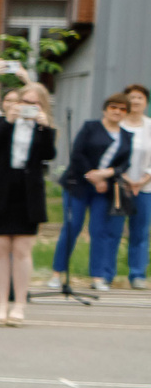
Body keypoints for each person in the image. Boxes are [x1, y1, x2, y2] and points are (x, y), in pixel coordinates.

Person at [0, 81, 55, 325]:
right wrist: (9, 120)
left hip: (27, 193)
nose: (28, 107)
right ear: (16, 102)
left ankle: (19, 305)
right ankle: (1, 304)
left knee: (22, 250)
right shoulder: (0, 122)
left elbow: (49, 155)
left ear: (42, 106)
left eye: (34, 104)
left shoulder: (44, 128)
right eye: (25, 102)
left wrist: (45, 127)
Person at [53, 95, 131, 293]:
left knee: (100, 231)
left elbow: (124, 165)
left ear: (126, 113)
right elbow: (77, 153)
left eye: (122, 109)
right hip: (78, 184)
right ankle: (57, 273)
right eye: (113, 107)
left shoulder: (127, 136)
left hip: (104, 189)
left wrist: (105, 175)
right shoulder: (91, 127)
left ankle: (97, 276)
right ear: (105, 109)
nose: (117, 111)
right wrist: (92, 176)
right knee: (72, 226)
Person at [112, 84, 150, 289]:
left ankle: (137, 274)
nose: (135, 101)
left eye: (140, 98)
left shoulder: (150, 126)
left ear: (146, 102)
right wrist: (125, 179)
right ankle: (105, 274)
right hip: (119, 185)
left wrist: (143, 179)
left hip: (144, 188)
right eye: (132, 98)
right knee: (113, 230)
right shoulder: (118, 125)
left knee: (140, 231)